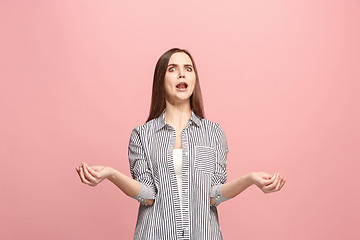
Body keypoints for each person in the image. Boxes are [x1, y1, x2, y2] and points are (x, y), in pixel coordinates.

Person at [75, 48, 286, 239]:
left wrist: (250, 179)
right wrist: (111, 174)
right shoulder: (142, 135)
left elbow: (213, 195)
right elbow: (147, 196)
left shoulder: (213, 133)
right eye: (172, 69)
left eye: (188, 68)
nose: (182, 74)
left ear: (195, 79)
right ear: (161, 79)